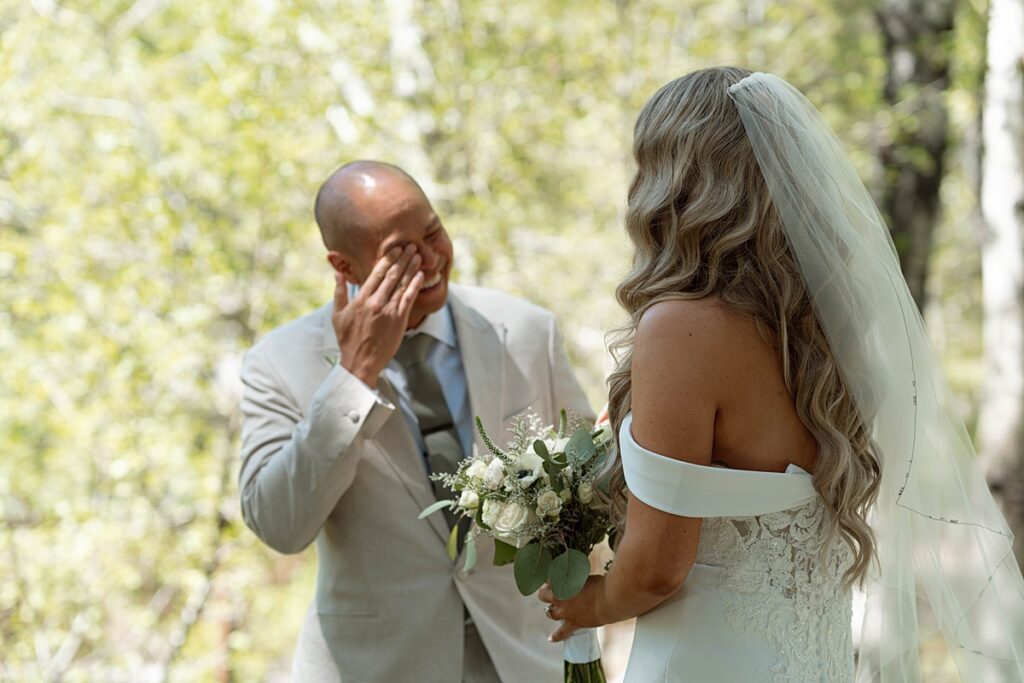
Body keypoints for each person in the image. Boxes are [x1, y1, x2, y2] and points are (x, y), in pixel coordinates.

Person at [538, 67, 1024, 681]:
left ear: (674, 180)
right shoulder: (831, 324)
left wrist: (593, 602)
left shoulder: (680, 329)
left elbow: (659, 566)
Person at [238, 160, 593, 682]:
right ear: (344, 266)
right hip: (376, 667)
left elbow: (591, 484)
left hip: (528, 658)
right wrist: (354, 375)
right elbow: (278, 525)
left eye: (433, 233)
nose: (429, 260)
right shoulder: (279, 362)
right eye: (399, 254)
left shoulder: (525, 331)